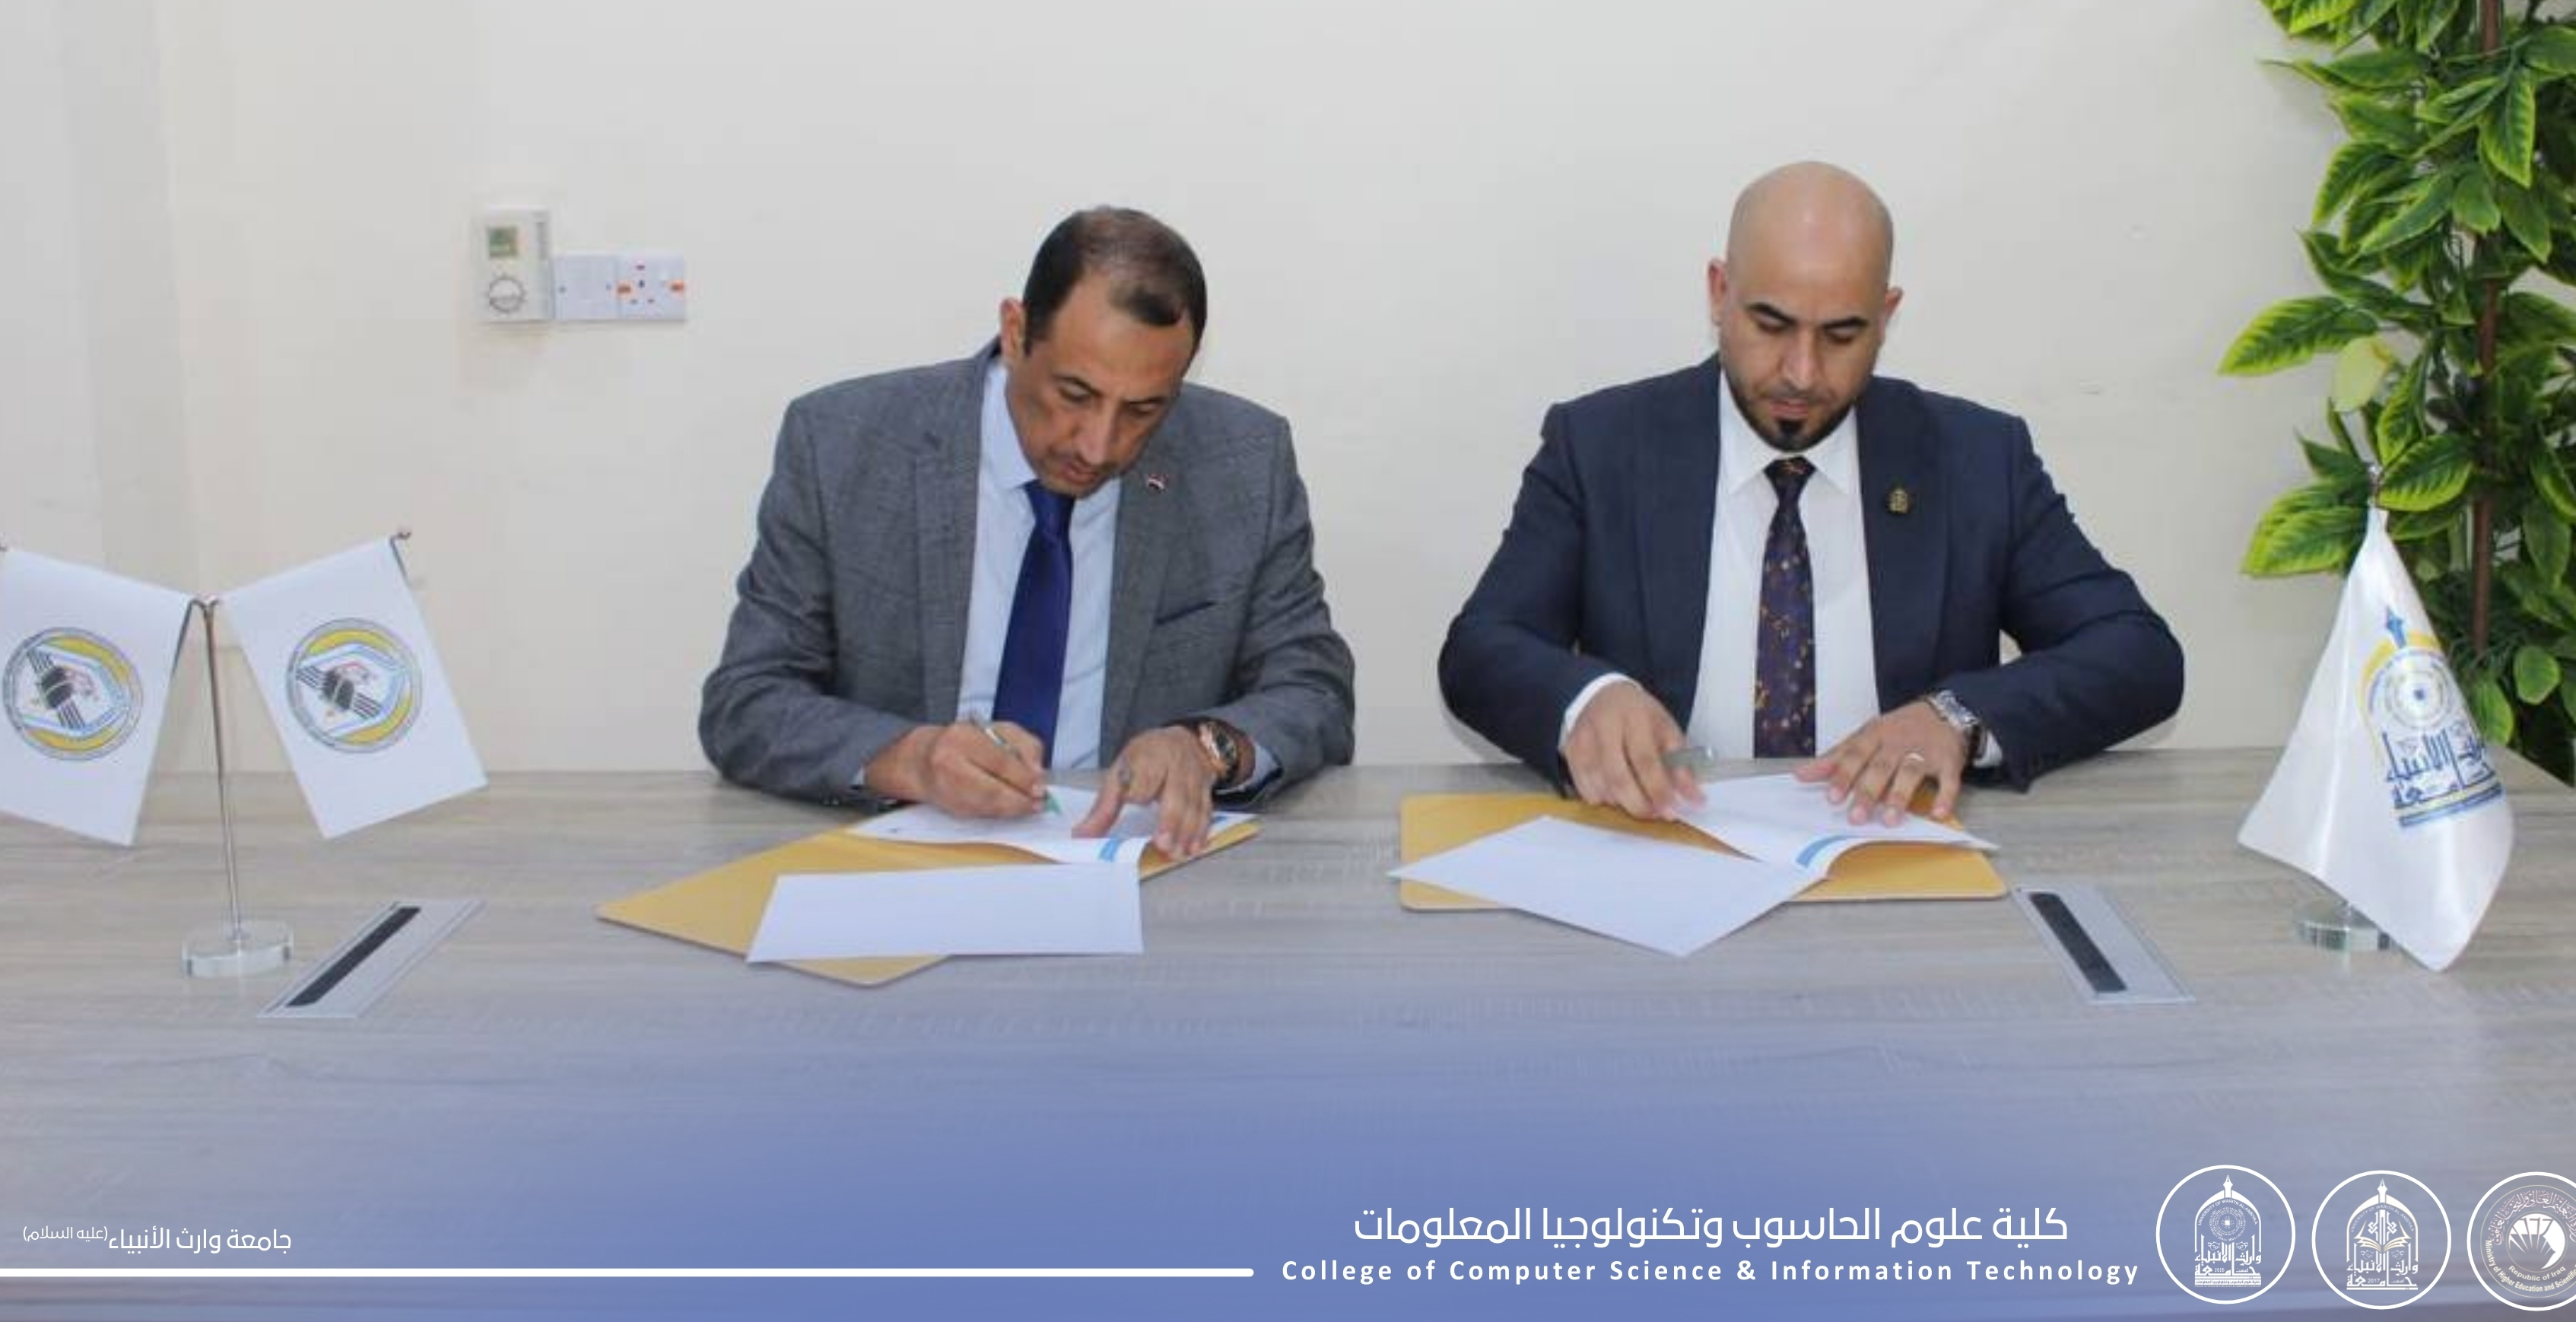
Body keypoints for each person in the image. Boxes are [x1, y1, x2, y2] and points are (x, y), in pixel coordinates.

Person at [1437, 162, 2181, 826]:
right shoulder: (1601, 445)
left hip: (1893, 859)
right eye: (1771, 324)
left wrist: (1957, 718)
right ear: (1719, 292)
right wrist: (1586, 699)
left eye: (1842, 335)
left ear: (1886, 316)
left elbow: (2136, 653)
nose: (1801, 371)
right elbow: (1481, 647)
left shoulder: (1975, 458)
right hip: (1668, 847)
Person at [702, 207, 1353, 856]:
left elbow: (1314, 687)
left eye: (1143, 410)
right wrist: (910, 757)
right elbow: (748, 700)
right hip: (899, 858)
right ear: (1015, 334)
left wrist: (1205, 747)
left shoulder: (1245, 464)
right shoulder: (843, 446)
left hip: (1131, 863)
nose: (1099, 446)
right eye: (1075, 394)